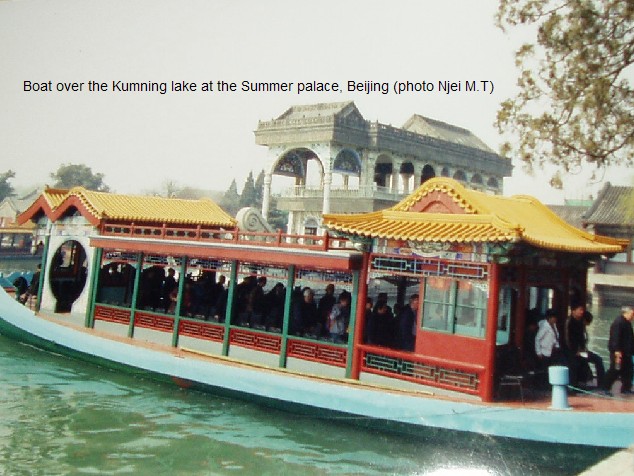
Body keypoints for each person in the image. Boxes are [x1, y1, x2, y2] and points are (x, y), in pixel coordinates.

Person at [564, 303, 605, 388]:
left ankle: (601, 384)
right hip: (573, 352)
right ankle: (573, 386)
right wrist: (575, 351)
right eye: (580, 310)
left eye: (582, 310)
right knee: (574, 365)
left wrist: (583, 349)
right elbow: (568, 338)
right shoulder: (569, 322)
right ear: (574, 311)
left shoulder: (579, 323)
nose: (581, 312)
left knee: (598, 360)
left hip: (582, 351)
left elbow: (582, 339)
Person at [603, 306, 634, 396]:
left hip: (627, 352)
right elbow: (615, 338)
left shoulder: (627, 323)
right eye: (632, 314)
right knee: (615, 370)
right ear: (626, 313)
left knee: (628, 371)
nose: (633, 316)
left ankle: (626, 388)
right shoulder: (618, 323)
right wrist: (617, 350)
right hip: (619, 352)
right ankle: (605, 387)